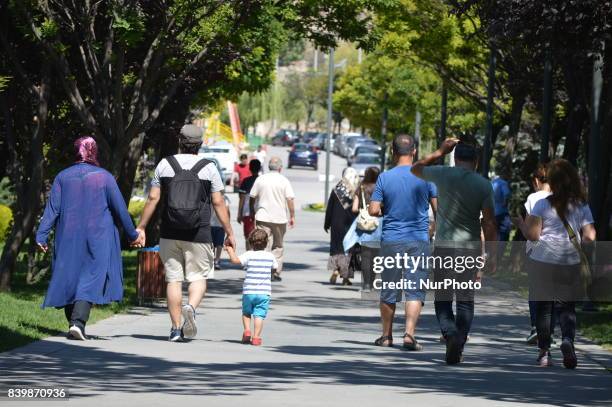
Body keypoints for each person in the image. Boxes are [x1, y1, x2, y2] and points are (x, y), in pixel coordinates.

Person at [36, 136, 144, 340]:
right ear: (94, 152)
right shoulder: (104, 177)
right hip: (99, 236)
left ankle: (75, 323)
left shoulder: (62, 177)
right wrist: (132, 235)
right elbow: (120, 209)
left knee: (71, 275)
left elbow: (52, 210)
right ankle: (77, 323)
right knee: (91, 275)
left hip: (68, 234)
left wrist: (41, 235)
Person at [137, 124, 236, 342]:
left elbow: (153, 198)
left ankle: (174, 330)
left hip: (170, 231)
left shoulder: (165, 164)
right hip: (199, 232)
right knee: (198, 277)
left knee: (173, 280)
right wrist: (229, 231)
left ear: (180, 142)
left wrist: (141, 226)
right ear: (200, 144)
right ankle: (190, 307)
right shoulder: (209, 167)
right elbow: (218, 202)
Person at [411, 137, 497, 365]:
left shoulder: (442, 174)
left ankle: (451, 335)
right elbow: (489, 223)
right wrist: (492, 254)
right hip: (470, 248)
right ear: (476, 161)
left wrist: (440, 150)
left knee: (443, 298)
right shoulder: (483, 185)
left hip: (445, 247)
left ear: (455, 158)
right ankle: (459, 339)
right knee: (466, 300)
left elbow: (416, 168)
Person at [514, 159, 595, 369]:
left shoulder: (542, 204)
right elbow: (590, 237)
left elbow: (533, 236)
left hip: (543, 260)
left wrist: (522, 224)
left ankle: (544, 353)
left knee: (544, 309)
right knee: (567, 307)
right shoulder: (581, 205)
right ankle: (568, 341)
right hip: (569, 261)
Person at [369, 134, 437, 351]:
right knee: (414, 289)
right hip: (418, 240)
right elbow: (438, 210)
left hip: (391, 240)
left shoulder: (384, 177)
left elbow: (373, 209)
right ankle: (409, 334)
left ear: (392, 151)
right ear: (414, 151)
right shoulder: (427, 177)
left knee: (389, 288)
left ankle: (386, 336)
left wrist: (385, 210)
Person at [225, 228, 278, 346]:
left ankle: (247, 331)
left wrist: (229, 250)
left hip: (249, 291)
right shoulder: (270, 256)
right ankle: (256, 337)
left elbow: (235, 260)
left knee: (246, 313)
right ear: (266, 243)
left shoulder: (249, 254)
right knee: (259, 315)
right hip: (264, 292)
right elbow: (275, 267)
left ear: (250, 242)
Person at [249, 156, 295, 282]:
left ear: (269, 167)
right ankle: (275, 271)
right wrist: (292, 216)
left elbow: (252, 196)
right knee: (278, 245)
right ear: (280, 168)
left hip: (263, 216)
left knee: (262, 243)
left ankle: (262, 270)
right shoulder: (284, 180)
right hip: (279, 218)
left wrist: (252, 209)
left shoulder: (261, 179)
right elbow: (290, 199)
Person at [522, 164, 552, 345]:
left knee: (535, 289)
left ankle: (535, 327)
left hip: (536, 249)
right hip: (557, 250)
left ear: (536, 181)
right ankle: (550, 329)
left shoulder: (533, 198)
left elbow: (529, 227)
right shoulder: (561, 198)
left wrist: (520, 224)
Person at [324, 167, 359, 285]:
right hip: (350, 225)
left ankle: (335, 270)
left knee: (336, 248)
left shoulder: (337, 189)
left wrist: (326, 224)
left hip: (336, 224)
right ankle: (345, 278)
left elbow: (330, 209)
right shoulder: (355, 191)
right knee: (349, 250)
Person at [350, 166, 382, 292]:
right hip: (378, 224)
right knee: (376, 256)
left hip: (364, 224)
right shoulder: (381, 188)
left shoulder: (361, 188)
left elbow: (354, 208)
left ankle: (366, 285)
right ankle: (372, 283)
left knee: (366, 255)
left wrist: (364, 210)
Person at [237, 159, 262, 250]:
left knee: (248, 237)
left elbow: (242, 199)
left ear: (250, 168)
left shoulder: (246, 181)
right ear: (259, 168)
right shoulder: (262, 181)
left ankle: (249, 254)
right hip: (261, 214)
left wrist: (239, 214)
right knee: (260, 237)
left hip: (247, 213)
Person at [492, 169, 512, 263]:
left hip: (492, 213)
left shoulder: (492, 182)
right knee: (504, 236)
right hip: (502, 213)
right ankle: (499, 259)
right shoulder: (503, 183)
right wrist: (505, 203)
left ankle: (492, 258)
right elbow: (507, 194)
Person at [211, 191, 231, 269]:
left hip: (213, 224)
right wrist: (228, 223)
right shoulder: (224, 198)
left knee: (212, 244)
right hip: (220, 224)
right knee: (219, 244)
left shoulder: (210, 196)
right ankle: (216, 260)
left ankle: (213, 261)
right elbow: (227, 211)